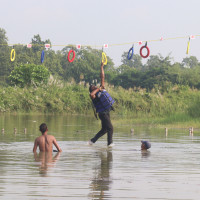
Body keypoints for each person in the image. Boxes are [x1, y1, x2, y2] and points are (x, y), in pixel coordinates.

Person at [88, 62, 115, 147]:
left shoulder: (101, 89)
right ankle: (110, 144)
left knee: (104, 129)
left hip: (107, 111)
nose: (95, 87)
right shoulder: (94, 96)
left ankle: (92, 141)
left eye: (94, 86)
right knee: (110, 128)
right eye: (93, 88)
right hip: (102, 113)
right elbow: (91, 94)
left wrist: (102, 67)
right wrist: (98, 89)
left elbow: (102, 77)